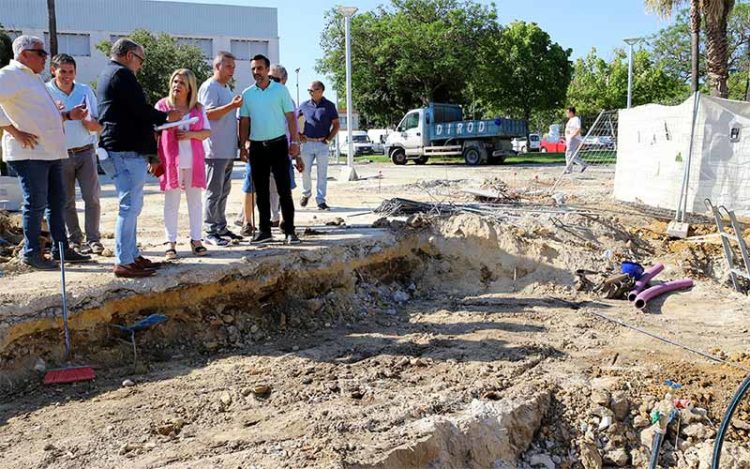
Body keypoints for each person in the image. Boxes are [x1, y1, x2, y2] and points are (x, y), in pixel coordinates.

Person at [0, 35, 91, 270]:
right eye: (41, 53)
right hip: (30, 153)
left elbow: (39, 115)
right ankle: (31, 253)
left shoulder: (32, 78)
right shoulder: (10, 75)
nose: (45, 58)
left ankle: (60, 248)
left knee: (57, 202)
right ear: (24, 54)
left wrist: (68, 116)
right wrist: (14, 131)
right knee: (36, 203)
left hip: (50, 152)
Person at [97, 38, 182, 278]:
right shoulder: (121, 76)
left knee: (133, 204)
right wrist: (166, 117)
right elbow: (139, 109)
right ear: (128, 55)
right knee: (129, 206)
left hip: (121, 147)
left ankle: (131, 255)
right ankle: (124, 260)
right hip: (124, 149)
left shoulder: (111, 74)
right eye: (140, 59)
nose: (141, 65)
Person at [238, 54, 302, 245]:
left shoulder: (280, 91)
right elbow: (244, 121)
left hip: (278, 144)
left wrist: (295, 143)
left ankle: (290, 231)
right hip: (257, 147)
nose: (256, 72)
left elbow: (291, 118)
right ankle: (264, 231)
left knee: (284, 190)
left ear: (267, 70)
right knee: (261, 191)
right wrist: (242, 146)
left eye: (259, 68)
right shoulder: (247, 94)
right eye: (253, 69)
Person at [46, 53, 104, 255]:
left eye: (71, 71)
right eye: (63, 71)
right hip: (60, 154)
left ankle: (94, 239)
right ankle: (74, 240)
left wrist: (90, 124)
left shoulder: (85, 91)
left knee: (92, 197)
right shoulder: (45, 92)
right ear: (53, 71)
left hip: (86, 151)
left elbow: (98, 123)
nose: (67, 76)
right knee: (67, 200)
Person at [155, 69, 210, 259]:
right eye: (175, 81)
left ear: (190, 88)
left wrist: (190, 135)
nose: (177, 86)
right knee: (172, 202)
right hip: (170, 161)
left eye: (182, 83)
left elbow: (206, 133)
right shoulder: (162, 106)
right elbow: (153, 132)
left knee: (194, 202)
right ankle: (170, 242)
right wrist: (152, 159)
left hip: (193, 161)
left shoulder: (198, 108)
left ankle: (196, 240)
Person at [198, 51, 244, 247]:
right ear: (217, 67)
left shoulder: (225, 88)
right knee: (213, 191)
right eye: (228, 66)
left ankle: (220, 226)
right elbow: (208, 114)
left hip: (227, 150)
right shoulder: (209, 87)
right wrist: (232, 106)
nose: (232, 70)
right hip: (214, 150)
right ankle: (209, 230)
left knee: (224, 190)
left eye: (233, 67)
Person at [268, 64, 301, 230]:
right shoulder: (259, 97)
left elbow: (294, 127)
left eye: (275, 79)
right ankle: (271, 218)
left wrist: (297, 152)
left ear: (284, 80)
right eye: (269, 78)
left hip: (284, 152)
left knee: (284, 188)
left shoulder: (289, 101)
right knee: (265, 188)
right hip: (264, 151)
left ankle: (286, 222)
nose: (271, 82)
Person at [298, 80, 339, 210]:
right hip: (307, 143)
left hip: (322, 144)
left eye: (312, 90)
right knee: (304, 171)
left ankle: (321, 200)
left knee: (322, 173)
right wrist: (299, 135)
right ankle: (306, 193)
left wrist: (329, 139)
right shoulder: (303, 105)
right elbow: (295, 121)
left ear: (320, 91)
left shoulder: (329, 106)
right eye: (309, 90)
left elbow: (336, 124)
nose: (310, 92)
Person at [564, 106, 587, 173]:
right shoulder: (571, 120)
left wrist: (572, 136)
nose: (566, 114)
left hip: (574, 139)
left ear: (571, 112)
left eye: (567, 112)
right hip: (570, 139)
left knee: (568, 153)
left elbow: (578, 129)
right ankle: (583, 164)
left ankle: (569, 170)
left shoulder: (576, 119)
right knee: (573, 155)